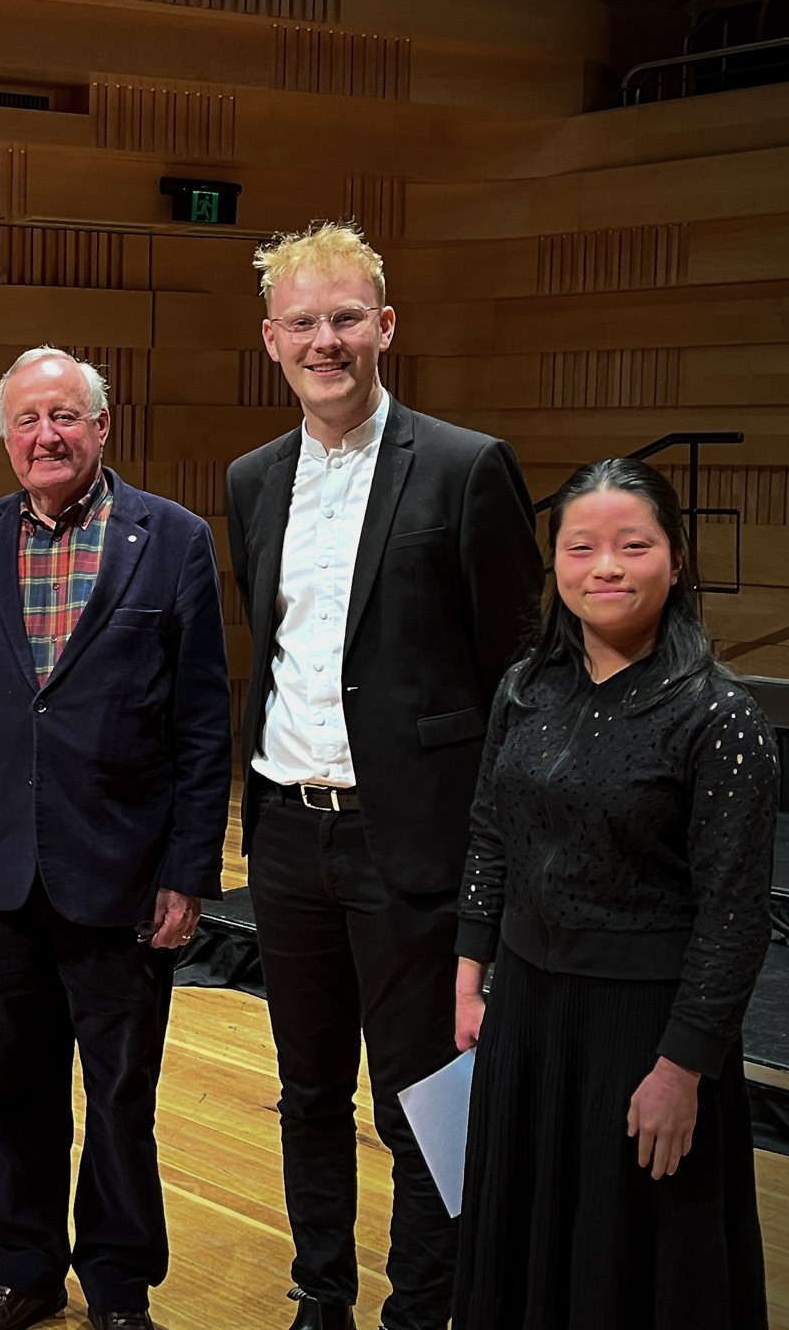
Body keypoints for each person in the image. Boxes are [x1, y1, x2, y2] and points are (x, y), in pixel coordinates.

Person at [224, 222, 540, 1330]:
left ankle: (423, 1311)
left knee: (425, 1106)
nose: (325, 340)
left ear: (385, 327)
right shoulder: (250, 481)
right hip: (285, 837)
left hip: (412, 842)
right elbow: (270, 650)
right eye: (302, 322)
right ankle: (321, 1299)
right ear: (270, 340)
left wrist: (496, 873)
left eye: (344, 317)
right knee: (307, 1095)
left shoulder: (464, 466)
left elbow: (516, 682)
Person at [0, 348, 230, 1330]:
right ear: (4, 435)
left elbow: (199, 724)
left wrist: (189, 871)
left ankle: (117, 1286)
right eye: (26, 421)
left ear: (102, 427)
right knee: (12, 1092)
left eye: (64, 417)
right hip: (0, 871)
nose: (44, 437)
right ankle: (23, 1270)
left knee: (120, 1100)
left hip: (123, 878)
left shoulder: (171, 539)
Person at [453, 458, 776, 1330]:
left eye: (633, 546)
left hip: (644, 1027)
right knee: (522, 1236)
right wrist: (470, 971)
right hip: (528, 1005)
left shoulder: (719, 716)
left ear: (676, 560)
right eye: (581, 546)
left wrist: (684, 1067)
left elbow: (736, 913)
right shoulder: (527, 689)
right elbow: (490, 832)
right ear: (553, 564)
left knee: (629, 1258)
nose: (605, 567)